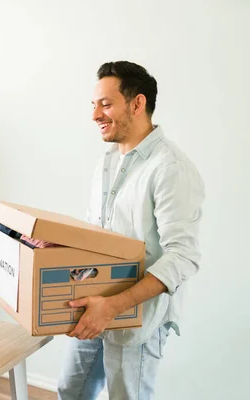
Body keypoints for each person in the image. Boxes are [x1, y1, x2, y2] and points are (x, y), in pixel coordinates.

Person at [57, 61, 205, 399]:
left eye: (105, 104)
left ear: (137, 104)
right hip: (95, 305)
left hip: (139, 319)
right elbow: (97, 232)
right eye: (94, 105)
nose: (95, 114)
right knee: (71, 390)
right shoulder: (107, 161)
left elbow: (182, 258)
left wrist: (113, 306)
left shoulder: (171, 169)